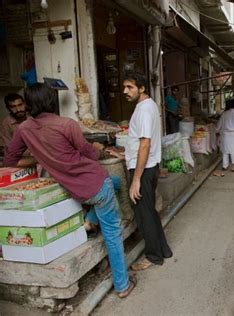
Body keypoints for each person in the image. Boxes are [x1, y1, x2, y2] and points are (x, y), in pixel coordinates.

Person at [4, 83, 136, 298]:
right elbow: (91, 155)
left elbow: (10, 160)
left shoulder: (24, 129)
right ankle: (123, 285)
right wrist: (101, 150)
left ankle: (89, 220)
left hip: (72, 188)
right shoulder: (67, 124)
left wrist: (43, 156)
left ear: (28, 105)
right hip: (94, 184)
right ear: (51, 101)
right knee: (112, 232)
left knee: (116, 183)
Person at [122, 72, 172, 270]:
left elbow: (145, 144)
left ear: (142, 88)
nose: (125, 91)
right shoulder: (149, 106)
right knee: (150, 212)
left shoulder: (143, 110)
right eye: (124, 87)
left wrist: (135, 179)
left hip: (143, 170)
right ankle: (163, 250)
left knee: (144, 216)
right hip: (149, 167)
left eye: (130, 87)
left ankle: (153, 256)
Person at [216, 99, 234, 172]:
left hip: (225, 135)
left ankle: (224, 166)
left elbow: (219, 125)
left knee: (225, 150)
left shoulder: (224, 114)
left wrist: (217, 131)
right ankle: (233, 167)